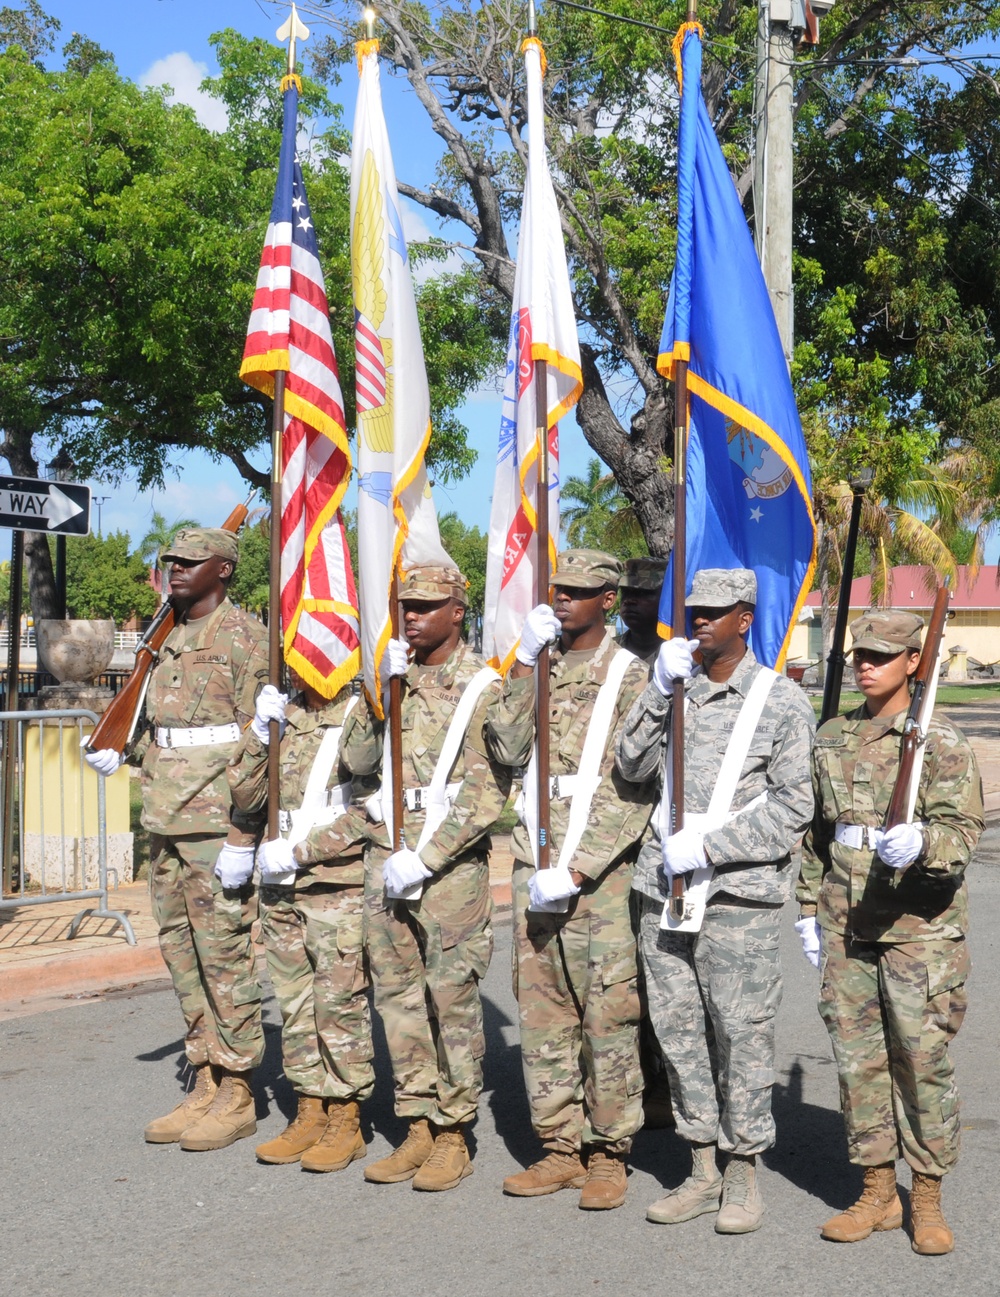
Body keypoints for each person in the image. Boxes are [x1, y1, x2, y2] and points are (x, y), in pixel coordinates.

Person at [616, 567, 815, 1233]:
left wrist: (710, 846)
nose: (698, 619)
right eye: (693, 609)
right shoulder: (675, 688)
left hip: (737, 895)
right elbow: (631, 765)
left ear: (744, 618)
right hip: (663, 892)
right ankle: (699, 1166)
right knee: (677, 1033)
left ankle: (742, 1173)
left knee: (742, 1036)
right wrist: (655, 689)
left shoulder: (779, 700)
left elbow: (794, 805)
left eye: (714, 611)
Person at [796, 609, 983, 1256]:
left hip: (918, 931)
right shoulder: (831, 736)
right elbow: (816, 833)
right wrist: (805, 907)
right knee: (859, 1064)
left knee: (920, 1063)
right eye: (858, 653)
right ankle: (876, 1190)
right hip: (846, 923)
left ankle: (925, 1195)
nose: (864, 663)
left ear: (913, 662)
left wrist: (925, 840)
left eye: (880, 653)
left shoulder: (941, 741)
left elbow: (962, 832)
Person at [85, 527, 268, 1150]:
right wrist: (122, 749)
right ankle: (207, 1072)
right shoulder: (164, 638)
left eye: (191, 562)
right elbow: (159, 724)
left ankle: (240, 1086)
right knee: (180, 952)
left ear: (224, 569)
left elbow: (259, 739)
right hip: (163, 817)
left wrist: (247, 831)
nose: (175, 570)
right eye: (171, 562)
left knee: (224, 955)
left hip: (215, 822)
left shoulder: (245, 637)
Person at [485, 548, 655, 1210]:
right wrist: (524, 664)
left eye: (581, 591)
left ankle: (609, 1151)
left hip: (599, 875)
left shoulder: (631, 676)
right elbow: (503, 747)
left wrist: (581, 865)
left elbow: (635, 788)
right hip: (533, 858)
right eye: (560, 589)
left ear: (608, 599)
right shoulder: (540, 668)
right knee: (544, 1008)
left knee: (607, 1012)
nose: (564, 600)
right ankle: (558, 1145)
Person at [339, 565, 510, 1192]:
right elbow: (357, 762)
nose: (412, 615)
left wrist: (430, 854)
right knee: (398, 998)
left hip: (449, 870)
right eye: (405, 604)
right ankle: (415, 1121)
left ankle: (454, 1132)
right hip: (385, 854)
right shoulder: (392, 677)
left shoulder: (484, 685)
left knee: (452, 1001)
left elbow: (488, 791)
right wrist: (374, 692)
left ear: (457, 612)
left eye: (427, 606)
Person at [228, 669, 376, 1172]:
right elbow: (246, 797)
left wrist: (303, 852)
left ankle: (346, 1117)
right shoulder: (282, 713)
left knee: (339, 1004)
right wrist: (256, 734)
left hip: (334, 880)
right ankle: (310, 1106)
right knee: (294, 1003)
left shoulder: (362, 716)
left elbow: (372, 809)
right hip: (279, 884)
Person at [616, 555, 673, 1129]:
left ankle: (661, 1080)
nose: (632, 601)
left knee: (658, 962)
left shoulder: (673, 661)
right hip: (607, 830)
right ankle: (629, 1076)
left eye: (645, 593)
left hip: (654, 830)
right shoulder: (609, 658)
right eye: (626, 594)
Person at [618, 556, 668, 665]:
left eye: (642, 593)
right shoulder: (605, 651)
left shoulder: (685, 655)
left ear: (667, 598)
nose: (629, 600)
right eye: (625, 592)